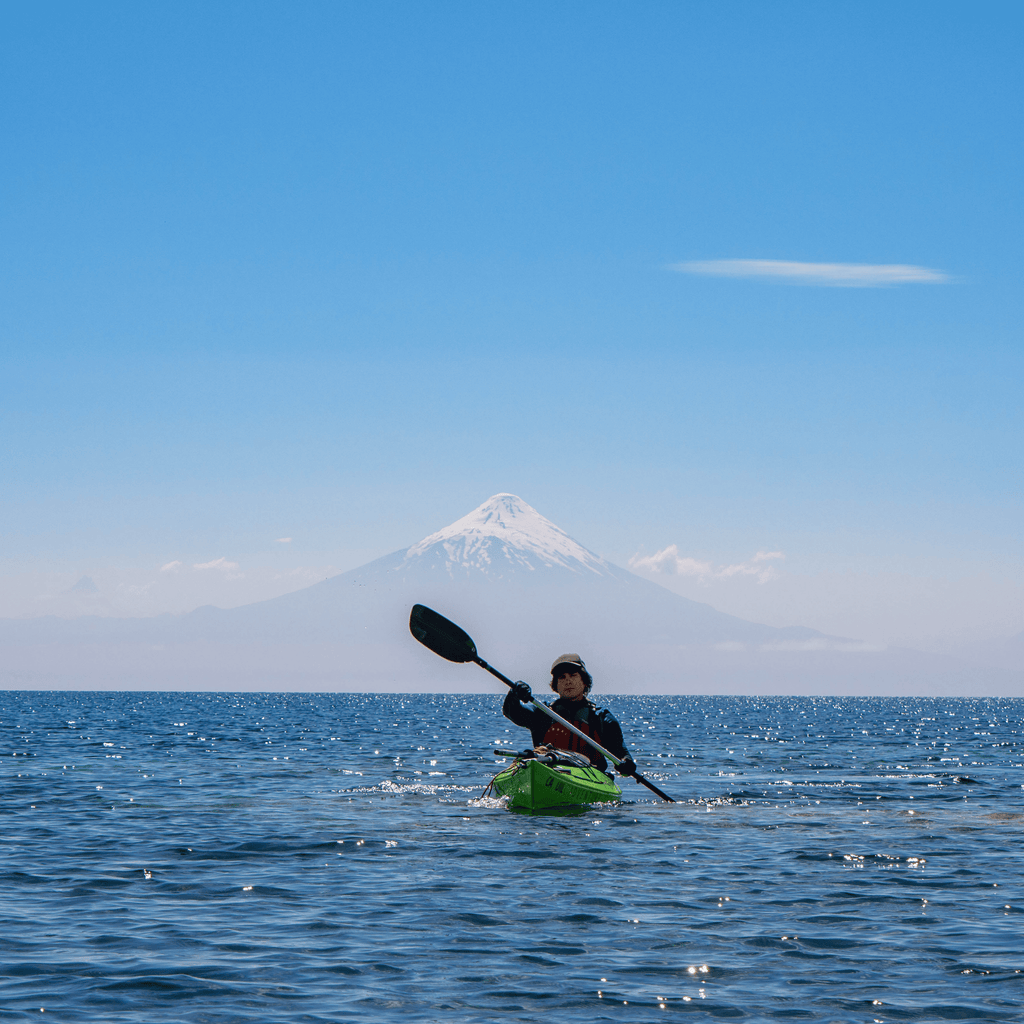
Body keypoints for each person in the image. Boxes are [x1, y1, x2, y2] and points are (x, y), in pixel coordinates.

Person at [502, 653, 636, 777]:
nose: (568, 681)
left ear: (584, 681)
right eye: (562, 677)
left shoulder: (601, 718)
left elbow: (621, 754)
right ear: (556, 685)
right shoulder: (543, 712)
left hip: (590, 776)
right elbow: (512, 712)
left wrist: (626, 764)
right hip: (549, 770)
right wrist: (514, 694)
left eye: (573, 675)